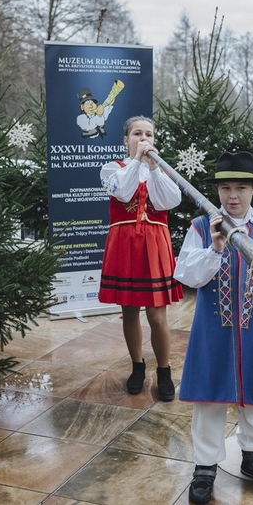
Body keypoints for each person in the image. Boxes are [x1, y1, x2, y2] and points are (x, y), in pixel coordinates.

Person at [174, 149, 253, 505]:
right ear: (217, 190)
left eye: (241, 188)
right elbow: (186, 274)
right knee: (208, 400)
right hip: (212, 330)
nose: (233, 196)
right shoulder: (202, 228)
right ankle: (205, 467)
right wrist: (215, 248)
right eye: (226, 188)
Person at [98, 116, 183, 402]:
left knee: (157, 314)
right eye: (137, 133)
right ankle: (137, 366)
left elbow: (169, 201)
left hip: (155, 243)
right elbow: (122, 192)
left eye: (149, 134)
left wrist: (154, 168)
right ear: (126, 140)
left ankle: (164, 370)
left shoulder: (162, 170)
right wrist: (136, 161)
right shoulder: (112, 168)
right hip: (125, 244)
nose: (144, 138)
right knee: (130, 310)